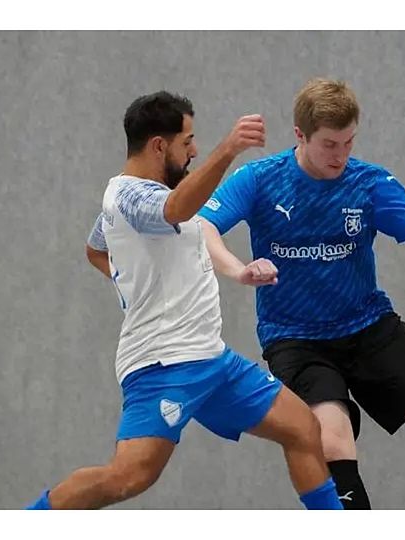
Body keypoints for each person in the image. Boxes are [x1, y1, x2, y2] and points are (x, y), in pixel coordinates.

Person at [25, 91, 342, 510]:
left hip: (211, 359)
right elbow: (174, 208)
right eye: (187, 141)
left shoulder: (138, 199)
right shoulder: (130, 197)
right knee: (128, 477)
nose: (193, 150)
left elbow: (96, 249)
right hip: (163, 364)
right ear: (159, 145)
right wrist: (229, 149)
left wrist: (140, 283)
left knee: (303, 428)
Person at [196, 78, 405, 510]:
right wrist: (239, 270)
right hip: (296, 338)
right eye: (329, 144)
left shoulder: (367, 182)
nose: (340, 155)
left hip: (367, 325)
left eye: (348, 142)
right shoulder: (259, 180)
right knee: (331, 440)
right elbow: (203, 226)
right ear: (300, 136)